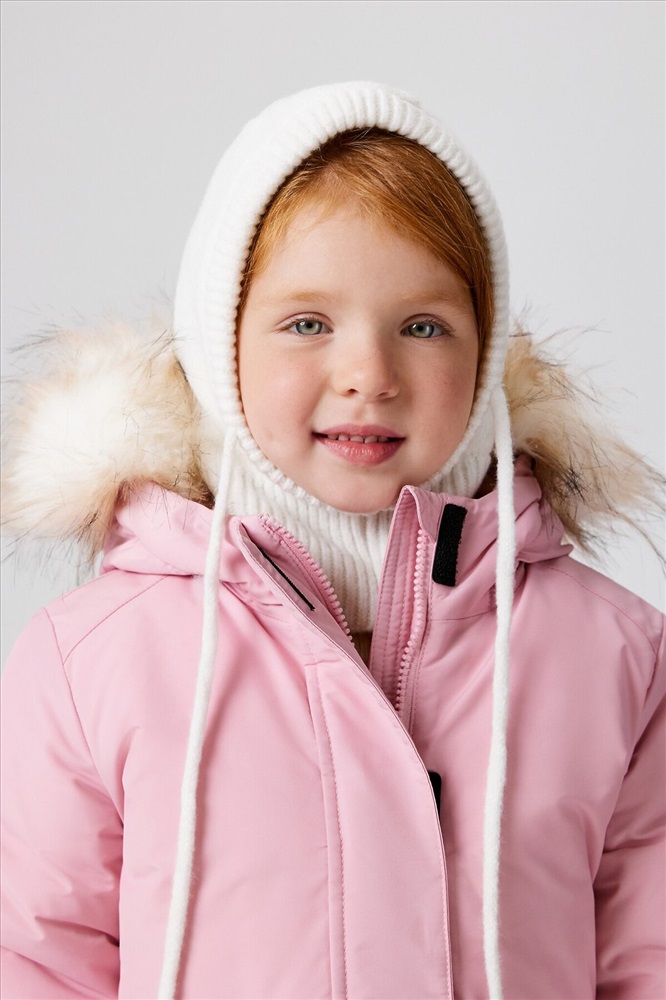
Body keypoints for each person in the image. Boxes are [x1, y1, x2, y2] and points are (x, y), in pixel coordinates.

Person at [1, 82, 664, 1000]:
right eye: (307, 323)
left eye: (423, 326)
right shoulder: (94, 658)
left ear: (483, 355)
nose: (368, 374)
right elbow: (37, 960)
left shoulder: (615, 655)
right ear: (219, 343)